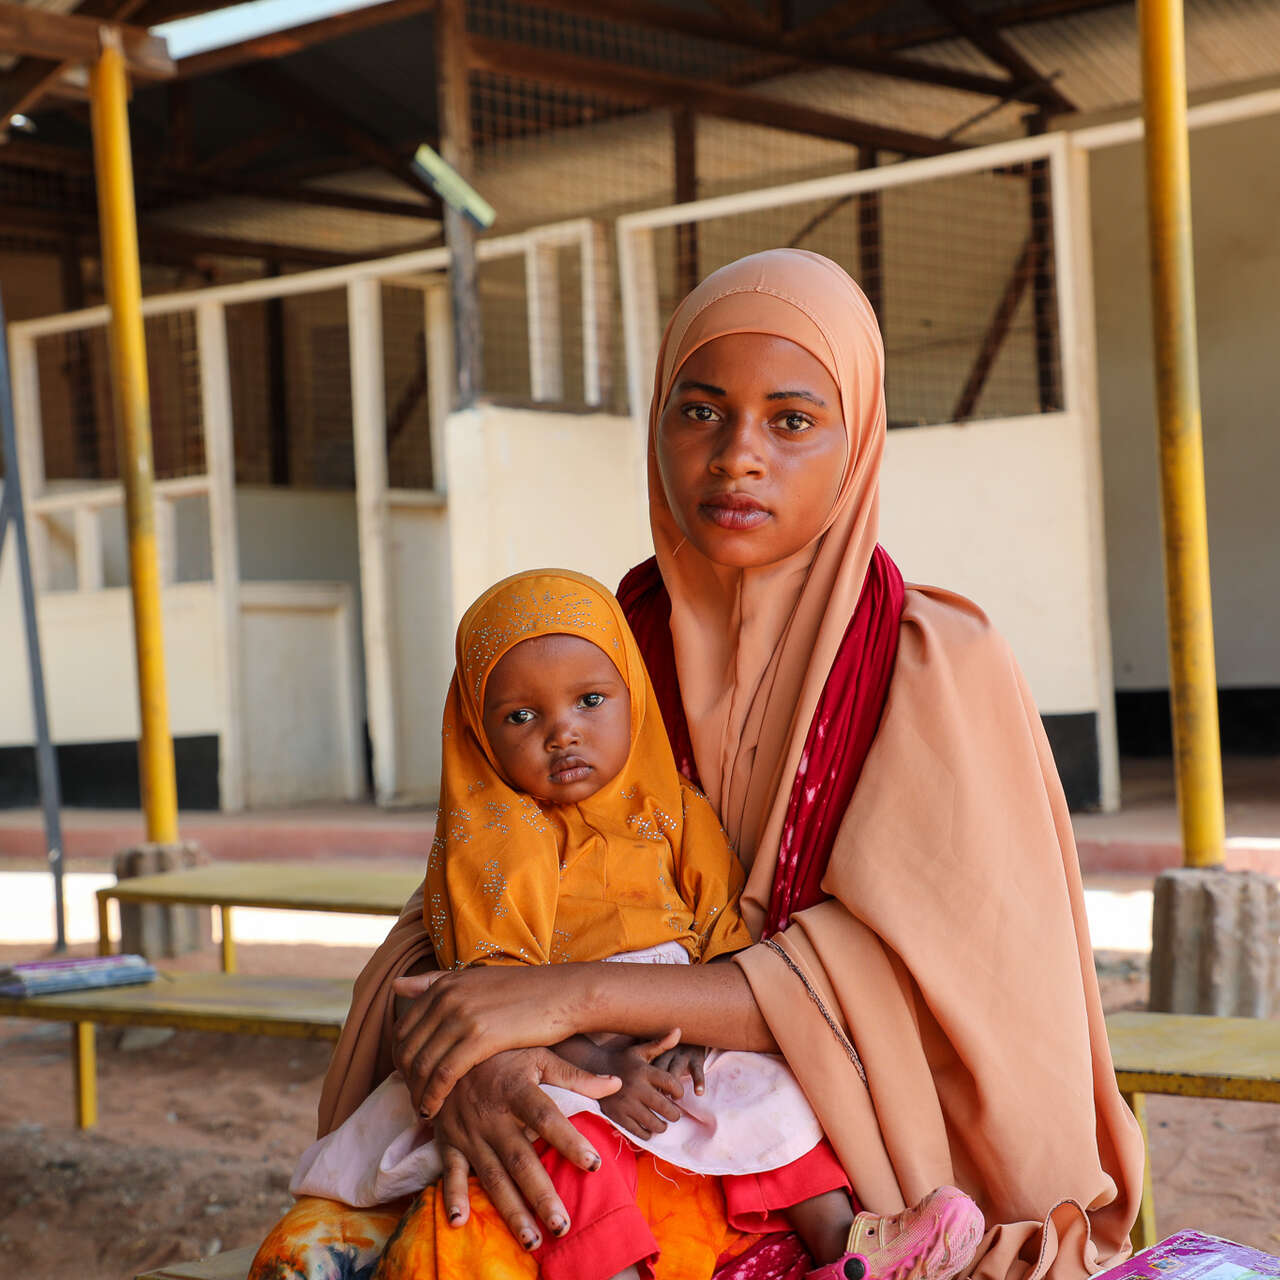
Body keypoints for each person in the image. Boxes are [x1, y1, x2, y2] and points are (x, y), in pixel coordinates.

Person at [253, 248, 1145, 1280]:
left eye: (792, 419)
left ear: (856, 440)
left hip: (866, 1161)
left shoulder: (939, 667)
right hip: (617, 1097)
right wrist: (482, 1060)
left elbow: (910, 1000)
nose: (736, 456)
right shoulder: (596, 656)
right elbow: (456, 909)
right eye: (700, 410)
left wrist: (570, 998)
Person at [283, 568, 987, 1280]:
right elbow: (497, 994)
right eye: (521, 717)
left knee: (772, 1094)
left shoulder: (674, 811)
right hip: (559, 1052)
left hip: (676, 1028)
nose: (563, 733)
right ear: (476, 729)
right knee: (559, 1140)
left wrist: (700, 1038)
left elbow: (725, 933)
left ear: (634, 697)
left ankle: (846, 1249)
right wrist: (599, 1070)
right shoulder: (492, 843)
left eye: (590, 701)